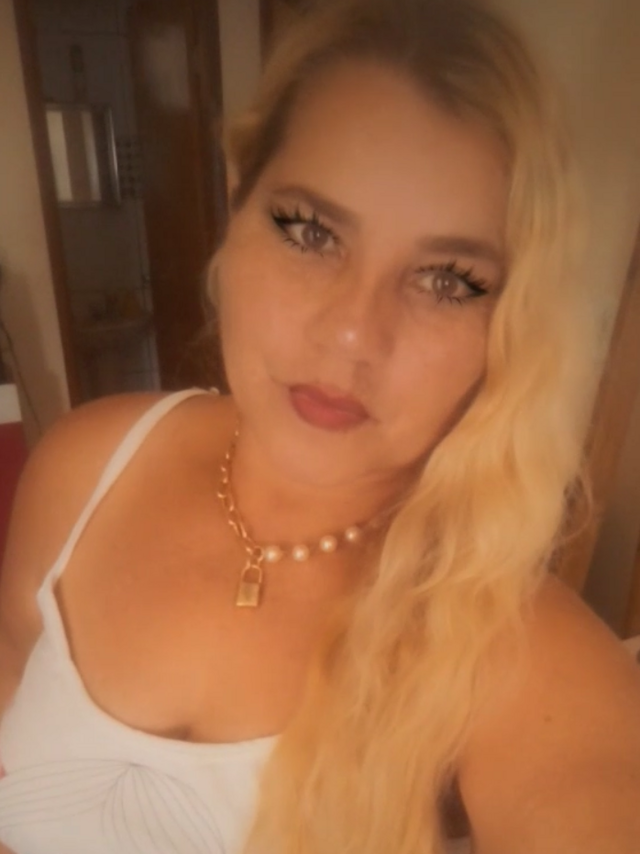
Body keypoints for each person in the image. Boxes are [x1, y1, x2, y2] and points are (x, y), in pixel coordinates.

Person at [1, 0, 640, 852]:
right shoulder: (85, 462)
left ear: (512, 321)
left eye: (448, 280)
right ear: (237, 200)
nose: (350, 335)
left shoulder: (518, 650)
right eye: (310, 232)